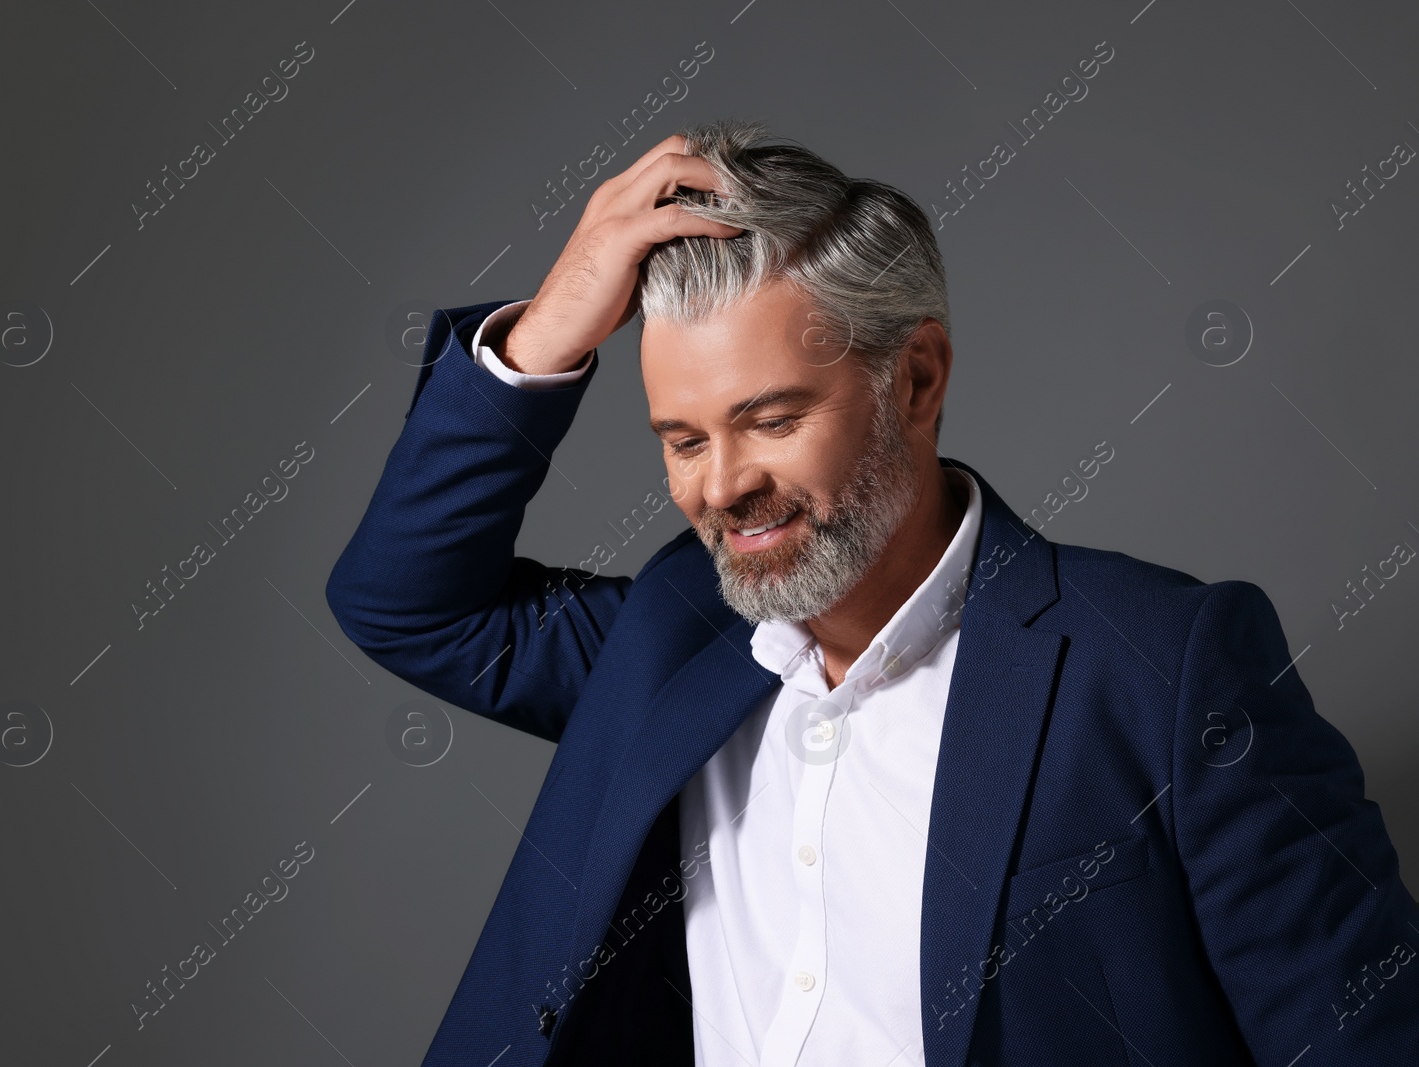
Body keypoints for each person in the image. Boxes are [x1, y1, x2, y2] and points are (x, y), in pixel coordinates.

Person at [325, 119, 1418, 1066]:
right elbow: (407, 602)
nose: (722, 485)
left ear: (918, 379)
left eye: (770, 418)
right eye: (682, 438)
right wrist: (547, 330)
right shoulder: (666, 641)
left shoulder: (1161, 668)